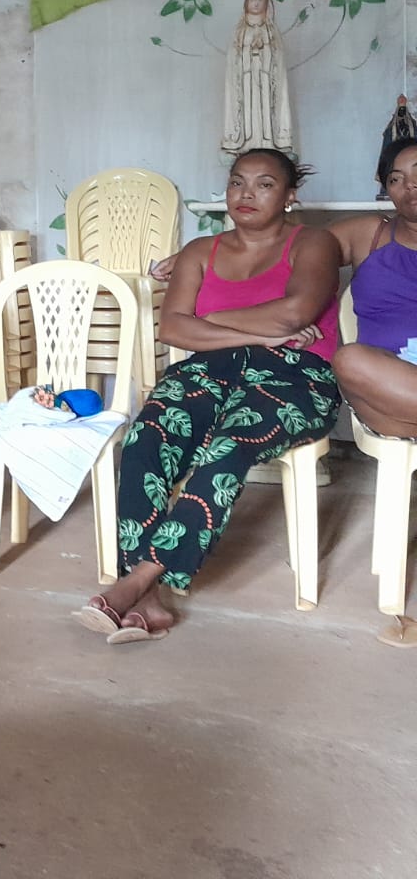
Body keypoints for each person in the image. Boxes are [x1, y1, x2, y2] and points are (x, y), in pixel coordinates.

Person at [78, 148, 340, 642]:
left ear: (290, 196)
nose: (246, 193)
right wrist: (256, 331)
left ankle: (138, 579)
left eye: (265, 184)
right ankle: (150, 603)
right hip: (209, 370)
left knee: (229, 447)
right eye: (238, 182)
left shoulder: (314, 243)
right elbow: (173, 329)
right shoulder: (201, 251)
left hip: (296, 374)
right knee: (146, 437)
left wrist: (211, 320)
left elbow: (295, 314)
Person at [327, 137, 417, 440]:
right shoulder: (367, 233)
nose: (410, 185)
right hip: (385, 386)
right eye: (395, 179)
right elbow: (295, 254)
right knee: (350, 360)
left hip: (403, 419)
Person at [221, 0, 294, 156]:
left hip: (266, 80)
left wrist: (263, 51)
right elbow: (233, 58)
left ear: (266, 5)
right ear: (246, 3)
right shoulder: (239, 31)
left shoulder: (272, 31)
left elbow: (278, 57)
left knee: (267, 110)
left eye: (261, 0)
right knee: (246, 111)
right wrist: (249, 52)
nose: (256, 3)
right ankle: (244, 143)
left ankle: (268, 142)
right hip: (245, 80)